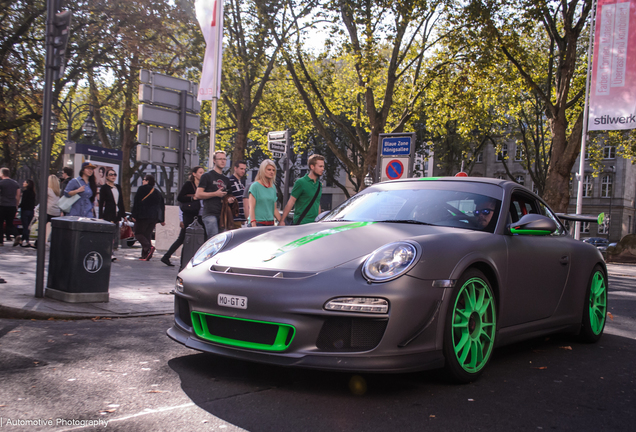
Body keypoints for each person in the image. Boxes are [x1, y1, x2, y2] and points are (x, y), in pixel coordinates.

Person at [161, 166, 206, 266]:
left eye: (203, 172)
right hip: (189, 215)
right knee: (184, 238)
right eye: (200, 172)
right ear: (194, 174)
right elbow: (180, 198)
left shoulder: (204, 185)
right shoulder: (188, 185)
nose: (202, 174)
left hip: (200, 215)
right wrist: (193, 198)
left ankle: (167, 256)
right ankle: (178, 260)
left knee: (192, 237)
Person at [195, 151, 235, 240]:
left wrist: (230, 199)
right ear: (214, 160)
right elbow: (198, 194)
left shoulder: (226, 179)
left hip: (222, 214)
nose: (223, 161)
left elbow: (230, 195)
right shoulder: (206, 176)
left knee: (221, 241)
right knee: (214, 239)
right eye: (220, 159)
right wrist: (215, 194)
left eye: (224, 159)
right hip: (210, 213)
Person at [280, 154, 325, 225]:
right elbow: (291, 201)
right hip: (301, 224)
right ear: (312, 166)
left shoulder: (319, 185)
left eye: (323, 166)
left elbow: (317, 203)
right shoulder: (301, 182)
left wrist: (318, 222)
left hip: (314, 225)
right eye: (320, 166)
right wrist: (282, 220)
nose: (323, 169)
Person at [131, 174, 165, 261]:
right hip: (153, 217)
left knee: (138, 233)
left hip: (143, 216)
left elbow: (137, 202)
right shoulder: (157, 192)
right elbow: (161, 206)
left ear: (148, 181)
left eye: (144, 179)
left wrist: (133, 215)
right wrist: (162, 219)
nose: (142, 181)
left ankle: (149, 247)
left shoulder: (141, 189)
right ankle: (145, 255)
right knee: (147, 235)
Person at [99, 169, 126, 260]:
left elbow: (121, 201)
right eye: (111, 175)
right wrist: (101, 216)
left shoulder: (118, 187)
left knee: (114, 234)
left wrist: (124, 215)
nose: (113, 176)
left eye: (114, 174)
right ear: (107, 176)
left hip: (117, 213)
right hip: (108, 213)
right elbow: (101, 202)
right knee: (109, 234)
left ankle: (110, 251)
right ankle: (110, 253)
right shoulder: (104, 188)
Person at [248, 159, 282, 227]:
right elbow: (251, 208)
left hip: (270, 224)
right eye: (269, 169)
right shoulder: (255, 186)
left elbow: (274, 209)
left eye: (273, 170)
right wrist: (253, 224)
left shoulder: (273, 187)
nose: (271, 172)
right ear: (263, 170)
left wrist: (282, 221)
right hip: (257, 223)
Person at [0, 167, 21, 246]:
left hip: (2, 205)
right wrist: (16, 205)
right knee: (10, 223)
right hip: (12, 206)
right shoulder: (15, 183)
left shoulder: (1, 183)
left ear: (2, 173)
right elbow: (18, 195)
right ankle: (17, 235)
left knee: (0, 223)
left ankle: (1, 241)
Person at [228, 160, 248, 229]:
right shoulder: (229, 181)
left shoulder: (241, 184)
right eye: (241, 169)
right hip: (233, 218)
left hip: (240, 219)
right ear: (235, 168)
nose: (243, 171)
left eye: (244, 169)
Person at [18, 179, 36, 247]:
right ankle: (21, 240)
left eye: (25, 182)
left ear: (28, 184)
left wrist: (18, 206)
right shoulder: (33, 193)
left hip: (25, 210)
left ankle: (27, 241)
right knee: (26, 226)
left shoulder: (25, 192)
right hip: (31, 211)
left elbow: (23, 202)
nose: (23, 183)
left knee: (25, 227)